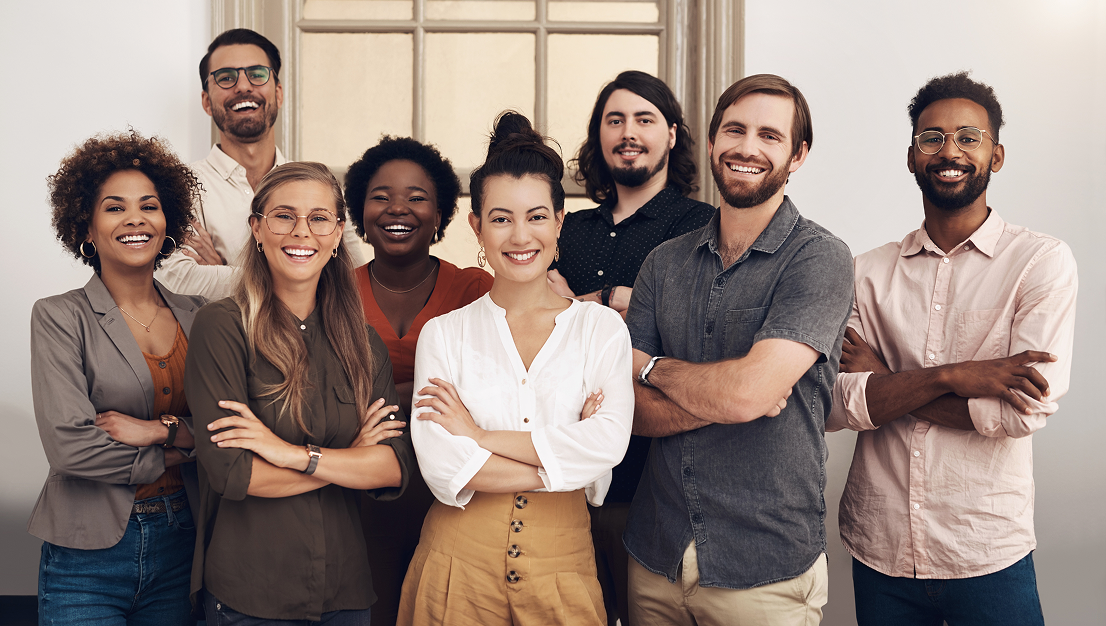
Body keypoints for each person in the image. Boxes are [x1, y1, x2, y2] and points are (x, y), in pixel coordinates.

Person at [827, 72, 1077, 626]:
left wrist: (887, 379)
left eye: (969, 137)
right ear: (912, 157)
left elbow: (1022, 411)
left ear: (997, 155)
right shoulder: (864, 273)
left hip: (987, 549)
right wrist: (955, 376)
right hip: (881, 548)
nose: (950, 151)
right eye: (932, 138)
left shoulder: (1040, 263)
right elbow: (838, 404)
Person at [623, 74, 854, 625]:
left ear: (798, 155)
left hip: (765, 569)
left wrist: (652, 368)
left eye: (769, 136)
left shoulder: (820, 260)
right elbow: (624, 409)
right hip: (655, 558)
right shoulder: (663, 263)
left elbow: (749, 395)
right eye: (734, 130)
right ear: (710, 143)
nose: (747, 148)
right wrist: (730, 396)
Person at [396, 111, 634, 626]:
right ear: (476, 226)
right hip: (454, 569)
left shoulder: (601, 330)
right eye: (501, 218)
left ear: (560, 222)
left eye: (536, 216)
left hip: (563, 572)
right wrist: (566, 460)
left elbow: (608, 445)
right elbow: (442, 469)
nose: (520, 235)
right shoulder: (445, 334)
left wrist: (478, 434)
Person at [183, 162, 414, 623]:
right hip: (252, 593)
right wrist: (347, 459)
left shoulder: (363, 343)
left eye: (319, 218)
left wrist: (287, 454)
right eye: (284, 216)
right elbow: (235, 475)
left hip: (345, 592)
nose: (301, 232)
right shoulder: (222, 327)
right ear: (258, 229)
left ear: (337, 234)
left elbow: (392, 468)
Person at [546, 70, 714, 626]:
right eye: (614, 120)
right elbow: (537, 321)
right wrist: (613, 303)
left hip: (659, 483)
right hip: (562, 471)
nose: (628, 132)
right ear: (598, 136)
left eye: (644, 119)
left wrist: (599, 297)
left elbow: (695, 326)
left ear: (671, 134)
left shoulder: (702, 226)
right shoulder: (567, 228)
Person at [30, 130, 205, 625]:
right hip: (87, 553)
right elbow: (71, 447)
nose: (135, 219)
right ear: (86, 228)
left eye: (149, 206)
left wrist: (162, 431)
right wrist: (178, 450)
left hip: (183, 542)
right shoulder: (60, 316)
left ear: (166, 221)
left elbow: (227, 428)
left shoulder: (202, 316)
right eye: (114, 207)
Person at [344, 136, 492, 626]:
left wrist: (382, 402)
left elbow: (497, 392)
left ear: (441, 214)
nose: (397, 209)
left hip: (458, 497)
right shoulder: (333, 294)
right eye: (380, 196)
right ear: (360, 213)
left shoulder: (476, 290)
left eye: (416, 197)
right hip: (360, 496)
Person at [156, 28, 366, 298]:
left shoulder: (319, 187)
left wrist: (224, 270)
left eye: (256, 74)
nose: (243, 86)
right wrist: (299, 275)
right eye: (226, 78)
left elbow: (353, 281)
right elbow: (174, 279)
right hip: (218, 340)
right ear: (207, 102)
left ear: (278, 93)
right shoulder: (180, 187)